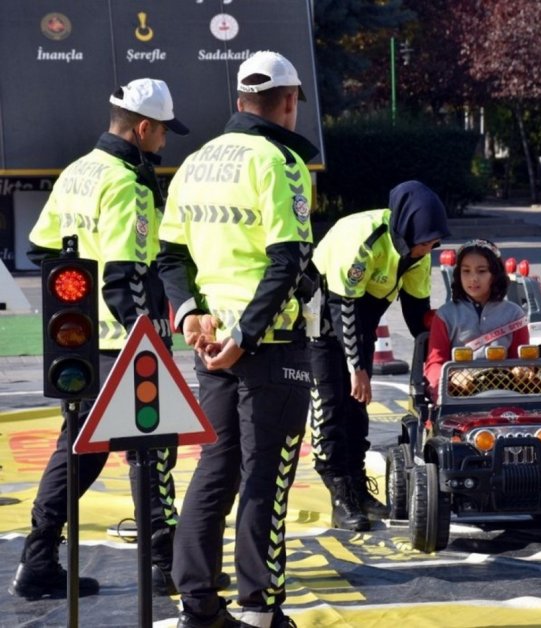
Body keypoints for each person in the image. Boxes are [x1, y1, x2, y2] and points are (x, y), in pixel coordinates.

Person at [9, 79, 190, 600]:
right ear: (142, 127)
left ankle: (38, 560)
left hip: (81, 349)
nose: (164, 142)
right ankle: (166, 564)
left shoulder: (78, 171)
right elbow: (123, 275)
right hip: (125, 342)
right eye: (162, 133)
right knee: (151, 450)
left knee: (79, 451)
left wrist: (76, 312)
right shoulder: (128, 183)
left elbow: (46, 249)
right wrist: (146, 346)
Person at [157, 50, 318, 628]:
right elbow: (288, 258)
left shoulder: (195, 161)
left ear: (240, 102)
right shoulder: (279, 161)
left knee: (213, 469)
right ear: (289, 101)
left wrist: (188, 316)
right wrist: (248, 336)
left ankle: (196, 607)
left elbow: (169, 255)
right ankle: (260, 609)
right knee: (267, 474)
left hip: (210, 344)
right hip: (267, 345)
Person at [310, 180, 450, 531]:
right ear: (406, 230)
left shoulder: (418, 252)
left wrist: (439, 353)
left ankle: (357, 485)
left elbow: (418, 313)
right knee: (331, 407)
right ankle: (339, 495)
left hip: (362, 324)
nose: (428, 248)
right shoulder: (363, 239)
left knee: (357, 409)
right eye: (425, 242)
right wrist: (356, 367)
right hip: (322, 319)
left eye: (433, 242)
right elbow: (343, 308)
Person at [424, 239, 529, 403]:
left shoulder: (514, 314)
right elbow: (435, 363)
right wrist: (451, 378)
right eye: (466, 271)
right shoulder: (446, 315)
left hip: (505, 395)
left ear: (495, 274)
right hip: (458, 396)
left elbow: (520, 359)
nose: (473, 278)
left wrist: (523, 369)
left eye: (481, 271)